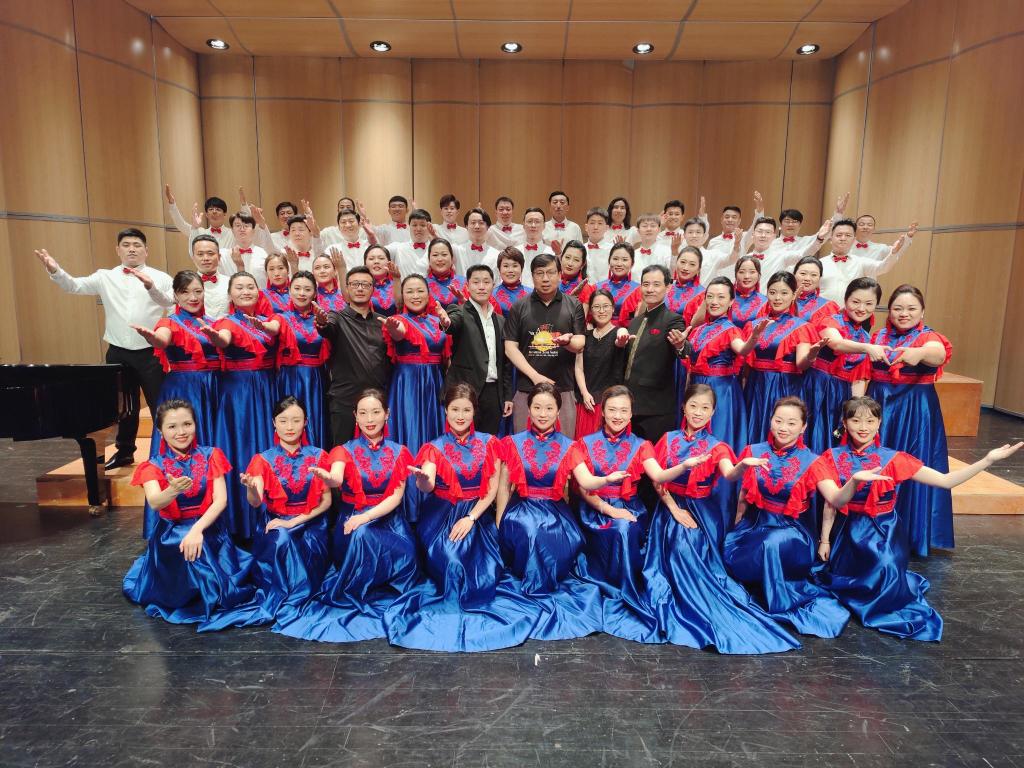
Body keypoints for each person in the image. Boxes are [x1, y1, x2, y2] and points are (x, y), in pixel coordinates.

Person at [815, 396, 1021, 640]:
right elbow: (832, 503)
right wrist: (825, 540)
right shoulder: (831, 457)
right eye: (856, 420)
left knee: (885, 568)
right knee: (839, 578)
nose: (863, 427)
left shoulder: (894, 459)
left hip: (883, 532)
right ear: (845, 423)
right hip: (848, 534)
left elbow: (945, 481)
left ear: (879, 423)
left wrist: (987, 460)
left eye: (870, 421)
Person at [637, 384, 802, 653]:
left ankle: (702, 602)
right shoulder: (668, 439)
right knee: (678, 545)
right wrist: (674, 509)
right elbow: (658, 480)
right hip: (669, 508)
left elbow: (729, 474)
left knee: (687, 546)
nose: (698, 412)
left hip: (703, 513)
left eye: (705, 408)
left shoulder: (718, 447)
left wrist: (742, 466)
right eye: (693, 406)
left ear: (713, 412)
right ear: (684, 407)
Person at [384, 384, 540, 651]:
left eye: (466, 410)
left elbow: (491, 490)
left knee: (482, 566)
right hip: (441, 516)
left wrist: (471, 518)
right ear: (446, 411)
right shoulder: (434, 447)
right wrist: (423, 480)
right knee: (452, 560)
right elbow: (427, 484)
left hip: (476, 514)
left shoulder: (489, 443)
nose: (460, 415)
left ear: (474, 412)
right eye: (455, 409)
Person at [275, 389, 421, 642]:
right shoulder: (343, 451)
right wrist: (329, 478)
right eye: (363, 413)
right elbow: (336, 477)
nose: (369, 419)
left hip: (391, 525)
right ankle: (359, 587)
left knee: (377, 537)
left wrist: (365, 517)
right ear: (355, 416)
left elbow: (396, 498)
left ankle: (381, 581)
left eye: (375, 412)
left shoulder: (399, 451)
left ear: (387, 414)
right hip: (351, 527)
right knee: (362, 534)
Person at [564, 385, 702, 638]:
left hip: (629, 508)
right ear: (602, 412)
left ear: (631, 414)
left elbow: (659, 476)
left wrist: (683, 466)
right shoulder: (583, 444)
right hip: (595, 509)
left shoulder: (642, 445)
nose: (617, 416)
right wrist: (608, 505)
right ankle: (611, 585)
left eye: (623, 411)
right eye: (612, 410)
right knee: (619, 527)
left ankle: (626, 589)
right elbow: (584, 486)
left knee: (625, 528)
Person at [35, 229, 174, 470]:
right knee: (124, 407)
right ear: (118, 250)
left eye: (137, 245)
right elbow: (75, 286)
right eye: (126, 244)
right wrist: (55, 270)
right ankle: (125, 452)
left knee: (160, 404)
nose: (132, 249)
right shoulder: (105, 276)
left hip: (150, 352)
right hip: (118, 352)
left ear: (146, 250)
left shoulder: (160, 277)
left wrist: (164, 335)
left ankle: (169, 453)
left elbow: (171, 306)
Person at [722, 397, 859, 638]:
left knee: (770, 544)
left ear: (803, 427)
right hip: (756, 524)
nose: (783, 427)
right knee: (735, 551)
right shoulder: (754, 451)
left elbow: (835, 500)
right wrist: (737, 522)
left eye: (792, 423)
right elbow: (744, 491)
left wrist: (854, 482)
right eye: (778, 421)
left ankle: (778, 602)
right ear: (771, 421)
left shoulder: (814, 462)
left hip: (792, 531)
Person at [200, 397, 332, 631]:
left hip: (311, 524)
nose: (289, 427)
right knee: (281, 538)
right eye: (283, 420)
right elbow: (255, 502)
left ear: (306, 422)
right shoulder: (262, 459)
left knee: (290, 537)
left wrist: (294, 522)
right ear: (274, 423)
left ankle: (297, 593)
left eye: (296, 420)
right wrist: (251, 488)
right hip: (275, 523)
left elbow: (326, 502)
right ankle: (285, 594)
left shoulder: (319, 455)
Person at [124, 399, 254, 624]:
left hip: (208, 527)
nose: (181, 432)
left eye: (187, 424)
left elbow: (221, 500)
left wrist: (197, 530)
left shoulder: (211, 455)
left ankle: (210, 592)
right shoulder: (153, 466)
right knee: (186, 547)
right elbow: (155, 502)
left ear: (195, 424)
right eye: (172, 426)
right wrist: (172, 491)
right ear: (160, 431)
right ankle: (193, 596)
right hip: (172, 532)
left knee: (199, 548)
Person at [495, 383, 603, 640]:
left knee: (547, 532)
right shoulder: (512, 443)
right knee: (532, 531)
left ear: (558, 411)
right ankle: (535, 587)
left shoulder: (570, 446)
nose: (542, 414)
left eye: (549, 408)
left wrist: (607, 480)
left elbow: (586, 482)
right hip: (521, 510)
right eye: (537, 408)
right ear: (529, 409)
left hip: (556, 511)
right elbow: (503, 487)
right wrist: (499, 523)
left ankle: (542, 583)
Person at [130, 270, 223, 537]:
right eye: (185, 292)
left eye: (197, 291)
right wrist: (151, 338)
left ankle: (211, 518)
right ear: (176, 295)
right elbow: (162, 339)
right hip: (184, 389)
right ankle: (175, 520)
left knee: (210, 451)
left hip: (213, 390)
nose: (192, 297)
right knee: (181, 444)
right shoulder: (169, 322)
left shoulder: (213, 322)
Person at [868, 284, 954, 557]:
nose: (904, 313)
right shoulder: (878, 335)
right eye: (898, 308)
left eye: (911, 308)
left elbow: (938, 353)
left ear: (922, 311)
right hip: (879, 404)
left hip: (914, 409)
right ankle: (875, 529)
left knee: (914, 463)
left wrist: (920, 353)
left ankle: (910, 533)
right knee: (877, 462)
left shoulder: (929, 337)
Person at [211, 272, 281, 538]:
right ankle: (239, 522)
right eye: (239, 287)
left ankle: (271, 514)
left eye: (250, 286)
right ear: (230, 294)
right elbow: (223, 339)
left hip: (267, 388)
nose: (245, 291)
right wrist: (216, 338)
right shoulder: (226, 322)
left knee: (268, 445)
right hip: (238, 393)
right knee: (240, 446)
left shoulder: (269, 320)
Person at [503, 253, 586, 436]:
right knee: (524, 446)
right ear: (532, 276)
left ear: (560, 274)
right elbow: (510, 348)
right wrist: (535, 376)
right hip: (527, 389)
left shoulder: (573, 304)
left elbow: (580, 342)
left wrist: (567, 342)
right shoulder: (519, 306)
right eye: (540, 273)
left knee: (563, 447)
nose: (545, 278)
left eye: (551, 272)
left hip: (563, 388)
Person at [684, 277, 766, 451]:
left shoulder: (731, 330)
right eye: (710, 296)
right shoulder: (698, 330)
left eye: (721, 297)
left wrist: (754, 337)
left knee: (717, 438)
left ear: (731, 301)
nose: (714, 302)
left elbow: (743, 349)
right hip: (696, 386)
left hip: (720, 391)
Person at [743, 271, 824, 445]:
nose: (777, 298)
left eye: (784, 293)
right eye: (772, 292)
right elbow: (746, 364)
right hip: (756, 387)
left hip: (786, 387)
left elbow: (801, 364)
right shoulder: (753, 325)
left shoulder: (802, 327)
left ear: (794, 295)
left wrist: (812, 355)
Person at [315, 266, 392, 446]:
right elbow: (327, 327)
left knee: (375, 454)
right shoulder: (337, 317)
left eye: (365, 284)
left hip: (375, 402)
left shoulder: (382, 321)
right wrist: (322, 323)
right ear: (347, 288)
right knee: (341, 454)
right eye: (355, 284)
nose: (360, 288)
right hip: (344, 401)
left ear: (373, 289)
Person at [801, 277, 879, 454]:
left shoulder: (866, 337)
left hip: (840, 394)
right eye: (856, 302)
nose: (861, 308)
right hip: (816, 387)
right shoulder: (829, 320)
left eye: (869, 304)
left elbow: (858, 379)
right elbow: (836, 344)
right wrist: (867, 348)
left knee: (834, 439)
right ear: (845, 299)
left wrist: (855, 409)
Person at [615, 265, 692, 443]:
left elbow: (684, 350)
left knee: (654, 457)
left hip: (656, 409)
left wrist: (681, 345)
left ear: (668, 287)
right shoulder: (634, 322)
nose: (650, 289)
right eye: (646, 284)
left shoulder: (672, 319)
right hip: (629, 405)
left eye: (656, 284)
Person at [384, 275, 450, 463]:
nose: (415, 296)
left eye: (420, 291)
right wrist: (393, 328)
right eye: (409, 292)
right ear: (402, 295)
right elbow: (399, 333)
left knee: (435, 429)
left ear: (428, 295)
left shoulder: (438, 320)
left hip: (435, 383)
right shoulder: (399, 320)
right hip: (408, 384)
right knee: (410, 426)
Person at [442, 265, 512, 436]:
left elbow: (505, 363)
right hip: (465, 391)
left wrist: (507, 396)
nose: (481, 286)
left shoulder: (501, 321)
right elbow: (452, 323)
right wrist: (446, 323)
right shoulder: (459, 311)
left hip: (494, 394)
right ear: (467, 285)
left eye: (486, 282)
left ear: (493, 285)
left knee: (489, 442)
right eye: (476, 282)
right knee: (462, 440)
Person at [277, 272, 331, 448]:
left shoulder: (324, 319)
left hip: (316, 379)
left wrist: (324, 324)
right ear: (289, 291)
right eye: (297, 288)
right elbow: (271, 329)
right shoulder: (281, 318)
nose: (302, 293)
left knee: (314, 419)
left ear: (315, 293)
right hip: (289, 378)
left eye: (307, 289)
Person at [817, 218, 915, 305]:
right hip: (822, 314)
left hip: (852, 315)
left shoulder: (861, 262)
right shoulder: (819, 264)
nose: (843, 238)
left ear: (853, 240)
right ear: (831, 239)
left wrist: (893, 253)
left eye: (848, 235)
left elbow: (883, 267)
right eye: (839, 235)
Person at [574, 289, 625, 438]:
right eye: (596, 307)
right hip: (586, 401)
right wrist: (584, 393)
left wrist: (622, 337)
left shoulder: (620, 333)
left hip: (610, 405)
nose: (601, 311)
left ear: (613, 308)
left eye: (606, 306)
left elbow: (621, 340)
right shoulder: (585, 336)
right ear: (590, 310)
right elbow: (578, 367)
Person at [616, 245, 705, 327]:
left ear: (699, 269)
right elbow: (632, 317)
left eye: (692, 264)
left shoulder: (703, 294)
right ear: (676, 262)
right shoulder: (660, 286)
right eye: (682, 262)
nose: (685, 268)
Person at [165, 186, 234, 250]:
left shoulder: (233, 233)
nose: (214, 212)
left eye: (218, 209)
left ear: (225, 214)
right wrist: (172, 204)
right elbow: (181, 225)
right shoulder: (200, 233)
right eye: (211, 209)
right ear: (206, 214)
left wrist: (242, 203)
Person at [220, 212, 268, 289]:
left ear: (253, 230)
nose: (242, 229)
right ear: (232, 230)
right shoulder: (223, 255)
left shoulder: (263, 253)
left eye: (246, 226)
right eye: (238, 225)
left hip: (260, 295)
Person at [593, 242, 639, 318]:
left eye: (624, 260)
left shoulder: (638, 290)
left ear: (632, 263)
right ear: (609, 261)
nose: (619, 264)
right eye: (615, 259)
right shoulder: (596, 287)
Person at [792, 255, 839, 327]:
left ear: (820, 278)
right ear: (794, 275)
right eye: (803, 273)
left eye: (814, 275)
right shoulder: (779, 300)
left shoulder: (827, 306)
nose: (807, 278)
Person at [324, 208, 374, 273]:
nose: (348, 225)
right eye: (343, 222)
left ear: (359, 224)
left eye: (351, 221)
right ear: (339, 227)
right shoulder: (332, 250)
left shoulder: (370, 246)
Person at [455, 207, 499, 277]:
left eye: (481, 223)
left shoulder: (496, 254)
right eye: (473, 223)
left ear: (487, 226)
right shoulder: (457, 251)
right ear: (466, 226)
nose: (477, 226)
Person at [392, 208, 435, 277]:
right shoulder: (398, 248)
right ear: (409, 226)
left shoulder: (435, 249)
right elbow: (378, 252)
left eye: (422, 225)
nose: (418, 229)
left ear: (429, 226)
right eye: (414, 225)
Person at [631, 212, 672, 282]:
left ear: (659, 230)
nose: (649, 229)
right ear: (638, 231)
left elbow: (671, 276)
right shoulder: (632, 254)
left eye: (653, 226)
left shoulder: (667, 251)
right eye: (645, 226)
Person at [424, 237, 466, 307]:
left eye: (444, 254)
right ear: (429, 259)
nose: (440, 259)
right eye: (435, 255)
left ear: (452, 258)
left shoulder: (464, 282)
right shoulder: (422, 284)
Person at [556, 240, 595, 313]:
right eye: (567, 257)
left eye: (576, 260)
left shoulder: (585, 289)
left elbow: (581, 318)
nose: (570, 263)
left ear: (582, 265)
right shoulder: (551, 281)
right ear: (561, 258)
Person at [730, 255, 768, 326]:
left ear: (759, 276)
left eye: (752, 272)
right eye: (742, 272)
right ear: (735, 275)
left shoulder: (765, 302)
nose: (746, 276)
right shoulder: (726, 298)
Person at [363, 244, 399, 317]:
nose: (376, 261)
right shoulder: (360, 286)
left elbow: (401, 305)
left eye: (381, 258)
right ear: (365, 264)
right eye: (371, 259)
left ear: (389, 262)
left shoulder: (398, 283)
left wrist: (397, 279)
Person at [491, 246, 531, 313]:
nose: (510, 270)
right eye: (506, 266)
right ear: (499, 269)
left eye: (515, 266)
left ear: (521, 268)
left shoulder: (532, 294)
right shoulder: (491, 295)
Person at [520, 207, 553, 285]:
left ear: (544, 226)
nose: (533, 225)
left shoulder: (551, 253)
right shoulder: (515, 251)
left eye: (537, 222)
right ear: (523, 225)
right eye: (529, 221)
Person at [581, 207, 611, 282]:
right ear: (586, 227)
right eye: (592, 223)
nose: (595, 227)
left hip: (605, 289)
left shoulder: (612, 250)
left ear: (606, 228)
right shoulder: (580, 249)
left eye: (600, 223)